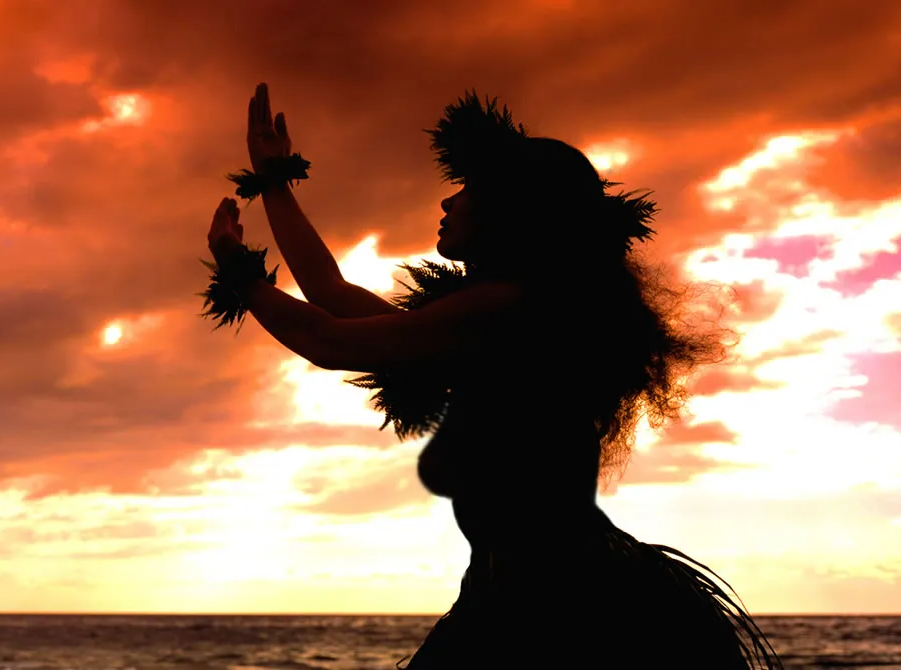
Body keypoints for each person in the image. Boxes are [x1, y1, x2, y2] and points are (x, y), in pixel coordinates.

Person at [203, 84, 781, 669]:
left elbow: (326, 339)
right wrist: (273, 182)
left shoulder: (508, 309)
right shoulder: (505, 315)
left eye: (469, 190)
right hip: (528, 584)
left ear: (512, 208)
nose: (450, 203)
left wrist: (241, 275)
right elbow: (332, 295)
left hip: (555, 597)